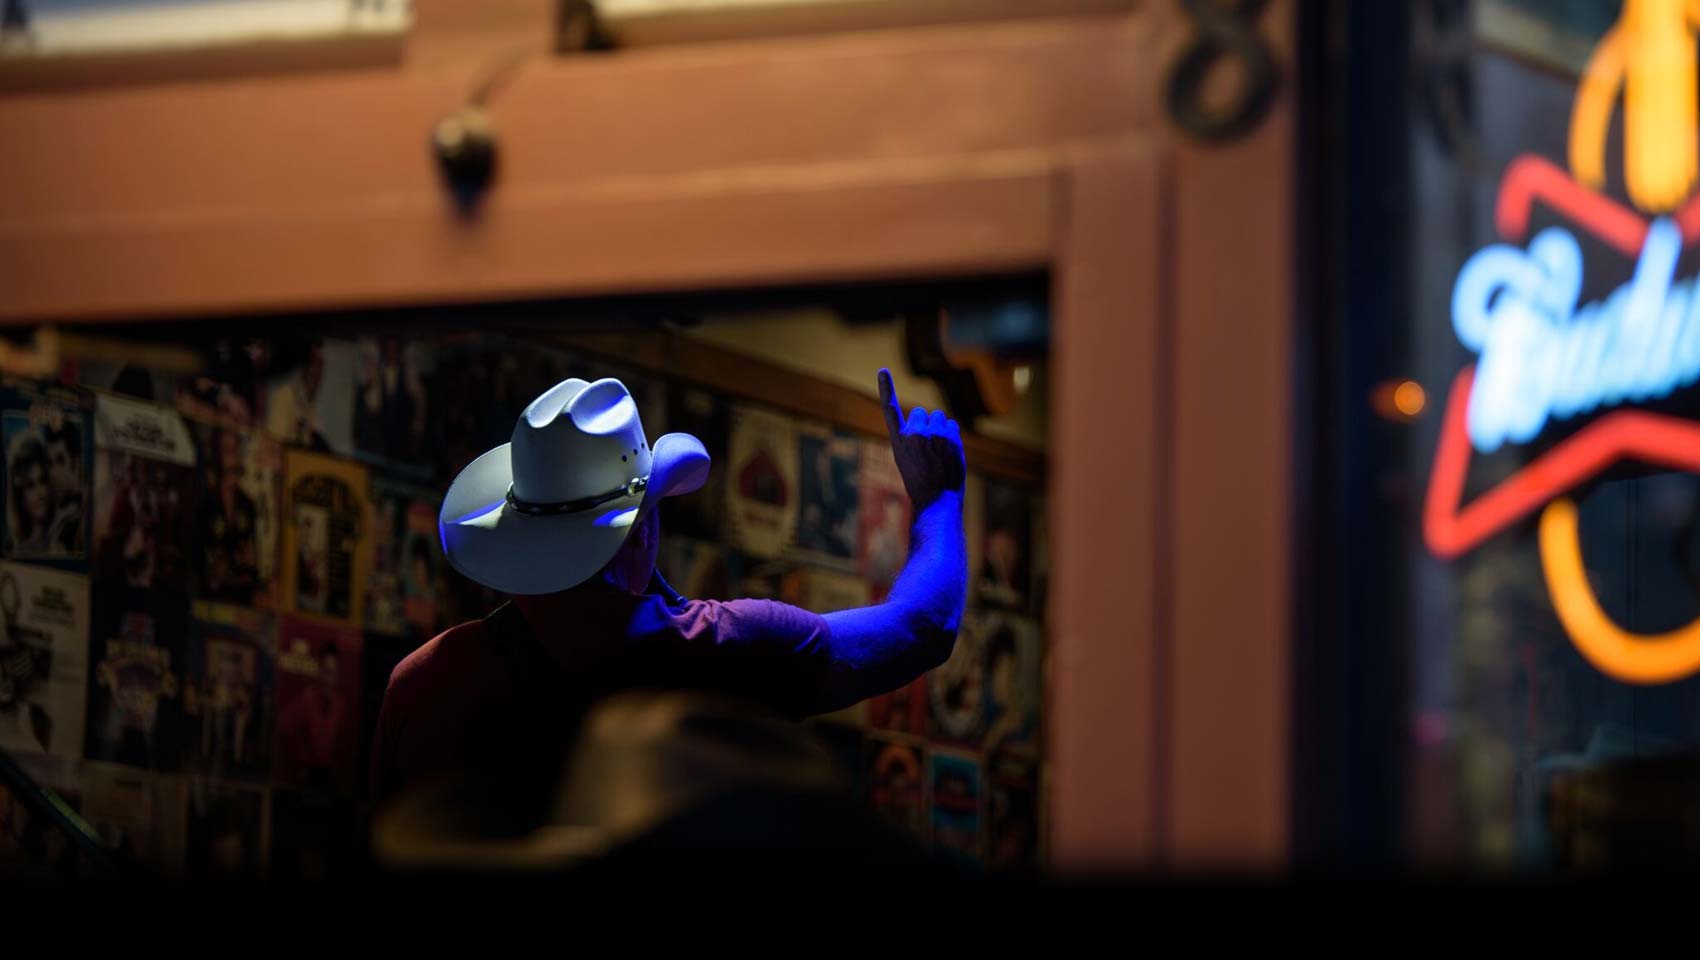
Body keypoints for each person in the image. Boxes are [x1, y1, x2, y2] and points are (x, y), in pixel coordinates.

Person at [372, 369, 967, 810]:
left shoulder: (426, 680)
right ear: (642, 532)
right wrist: (939, 502)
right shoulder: (719, 649)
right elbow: (922, 626)